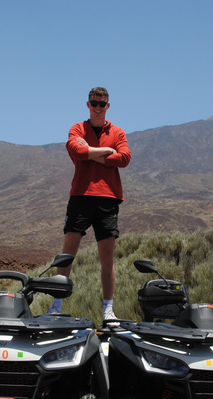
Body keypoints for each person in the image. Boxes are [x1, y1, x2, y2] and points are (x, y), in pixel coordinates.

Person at [48, 87, 131, 322]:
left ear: (108, 106)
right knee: (68, 252)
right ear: (87, 104)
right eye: (94, 103)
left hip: (108, 199)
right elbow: (75, 149)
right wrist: (106, 151)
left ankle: (108, 309)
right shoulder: (77, 129)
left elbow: (124, 158)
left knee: (107, 257)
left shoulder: (118, 132)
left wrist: (90, 153)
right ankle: (56, 305)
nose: (97, 107)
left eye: (102, 104)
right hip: (81, 196)